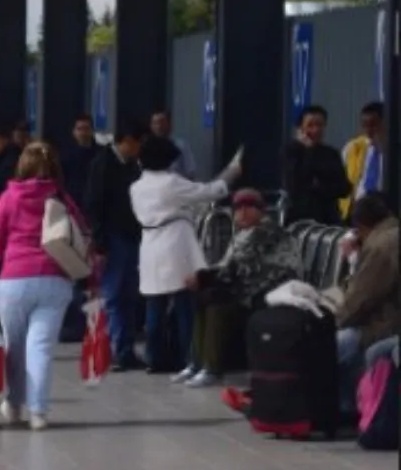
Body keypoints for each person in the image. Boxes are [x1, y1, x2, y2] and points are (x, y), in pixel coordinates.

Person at [0, 142, 87, 430]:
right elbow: (80, 233)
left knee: (14, 346)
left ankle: (14, 404)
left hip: (14, 279)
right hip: (55, 279)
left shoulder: (9, 197)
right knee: (40, 346)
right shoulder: (61, 197)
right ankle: (38, 412)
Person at [131, 135, 241, 375]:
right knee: (184, 303)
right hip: (176, 243)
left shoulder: (136, 187)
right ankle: (188, 358)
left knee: (154, 306)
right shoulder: (171, 182)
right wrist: (231, 173)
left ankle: (155, 358)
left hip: (150, 244)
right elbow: (208, 192)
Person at [183, 188, 301, 387]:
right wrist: (205, 279)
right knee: (206, 297)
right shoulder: (244, 234)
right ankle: (196, 363)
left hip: (268, 295)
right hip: (248, 291)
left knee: (217, 304)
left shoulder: (266, 233)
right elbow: (228, 267)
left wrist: (203, 277)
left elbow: (235, 268)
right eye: (238, 208)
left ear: (261, 211)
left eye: (250, 207)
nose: (243, 213)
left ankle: (211, 368)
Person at [86, 122, 147, 369]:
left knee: (129, 294)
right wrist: (99, 242)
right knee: (113, 293)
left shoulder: (132, 165)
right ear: (126, 141)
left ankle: (125, 348)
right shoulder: (103, 165)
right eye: (137, 143)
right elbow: (94, 203)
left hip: (131, 235)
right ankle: (112, 349)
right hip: (113, 236)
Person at [335, 194, 400, 399]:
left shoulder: (380, 247)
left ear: (361, 227)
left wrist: (332, 322)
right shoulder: (391, 235)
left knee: (334, 345)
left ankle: (346, 406)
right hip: (388, 319)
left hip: (386, 325)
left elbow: (361, 298)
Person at [281, 105, 352, 226]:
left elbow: (344, 188)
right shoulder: (291, 151)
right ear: (300, 128)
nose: (315, 130)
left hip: (328, 218)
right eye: (310, 125)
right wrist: (309, 151)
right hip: (299, 219)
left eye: (320, 125)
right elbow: (293, 184)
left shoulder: (331, 154)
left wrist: (320, 186)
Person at [343, 102, 386, 214]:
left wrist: (383, 149)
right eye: (364, 125)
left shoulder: (392, 151)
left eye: (373, 125)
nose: (368, 130)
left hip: (384, 208)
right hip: (358, 207)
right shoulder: (353, 148)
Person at [61, 114, 103, 193]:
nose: (83, 133)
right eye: (79, 129)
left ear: (92, 131)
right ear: (74, 132)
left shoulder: (102, 154)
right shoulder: (65, 155)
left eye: (86, 129)